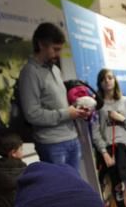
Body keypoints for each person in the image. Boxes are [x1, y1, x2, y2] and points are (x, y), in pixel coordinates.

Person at [18, 23, 90, 172]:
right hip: (51, 144)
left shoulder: (56, 69)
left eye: (60, 49)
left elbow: (59, 103)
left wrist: (77, 109)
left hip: (71, 138)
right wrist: (66, 113)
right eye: (55, 49)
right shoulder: (29, 73)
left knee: (73, 188)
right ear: (41, 45)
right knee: (60, 191)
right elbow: (32, 114)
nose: (58, 54)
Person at [92, 69, 126, 207]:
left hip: (125, 149)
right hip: (109, 150)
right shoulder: (97, 105)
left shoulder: (125, 101)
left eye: (110, 77)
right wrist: (104, 152)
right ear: (100, 83)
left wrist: (121, 118)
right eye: (103, 79)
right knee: (118, 184)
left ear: (115, 80)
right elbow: (95, 132)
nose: (107, 81)